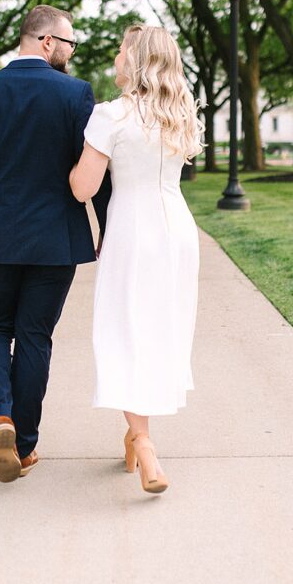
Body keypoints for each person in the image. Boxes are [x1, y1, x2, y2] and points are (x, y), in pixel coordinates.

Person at [0, 5, 110, 483]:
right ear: (46, 43)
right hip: (54, 241)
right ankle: (23, 444)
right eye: (69, 44)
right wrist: (105, 226)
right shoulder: (75, 94)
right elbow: (97, 173)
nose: (70, 53)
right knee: (36, 336)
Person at [70, 25, 203, 494]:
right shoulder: (179, 111)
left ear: (136, 59)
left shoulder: (111, 115)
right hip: (179, 233)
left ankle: (144, 443)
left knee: (125, 330)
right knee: (160, 328)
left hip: (132, 230)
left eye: (122, 48)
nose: (116, 54)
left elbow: (84, 188)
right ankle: (134, 436)